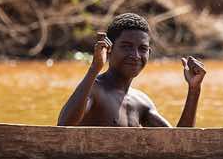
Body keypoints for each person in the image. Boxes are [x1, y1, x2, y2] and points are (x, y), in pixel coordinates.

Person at [57, 13, 206, 127]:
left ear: (149, 53)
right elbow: (64, 127)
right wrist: (94, 68)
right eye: (126, 46)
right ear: (109, 49)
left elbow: (179, 144)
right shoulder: (94, 90)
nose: (135, 55)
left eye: (142, 49)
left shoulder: (141, 102)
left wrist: (194, 89)